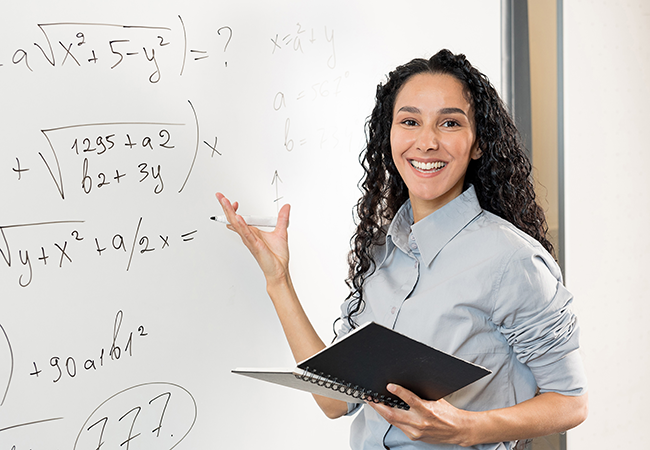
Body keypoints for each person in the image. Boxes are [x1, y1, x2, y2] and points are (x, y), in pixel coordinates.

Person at [216, 49, 588, 450]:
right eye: (410, 121)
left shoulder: (513, 260)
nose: (426, 142)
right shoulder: (379, 252)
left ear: (478, 143)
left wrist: (466, 428)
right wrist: (278, 280)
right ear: (389, 136)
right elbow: (333, 401)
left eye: (449, 123)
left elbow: (570, 403)